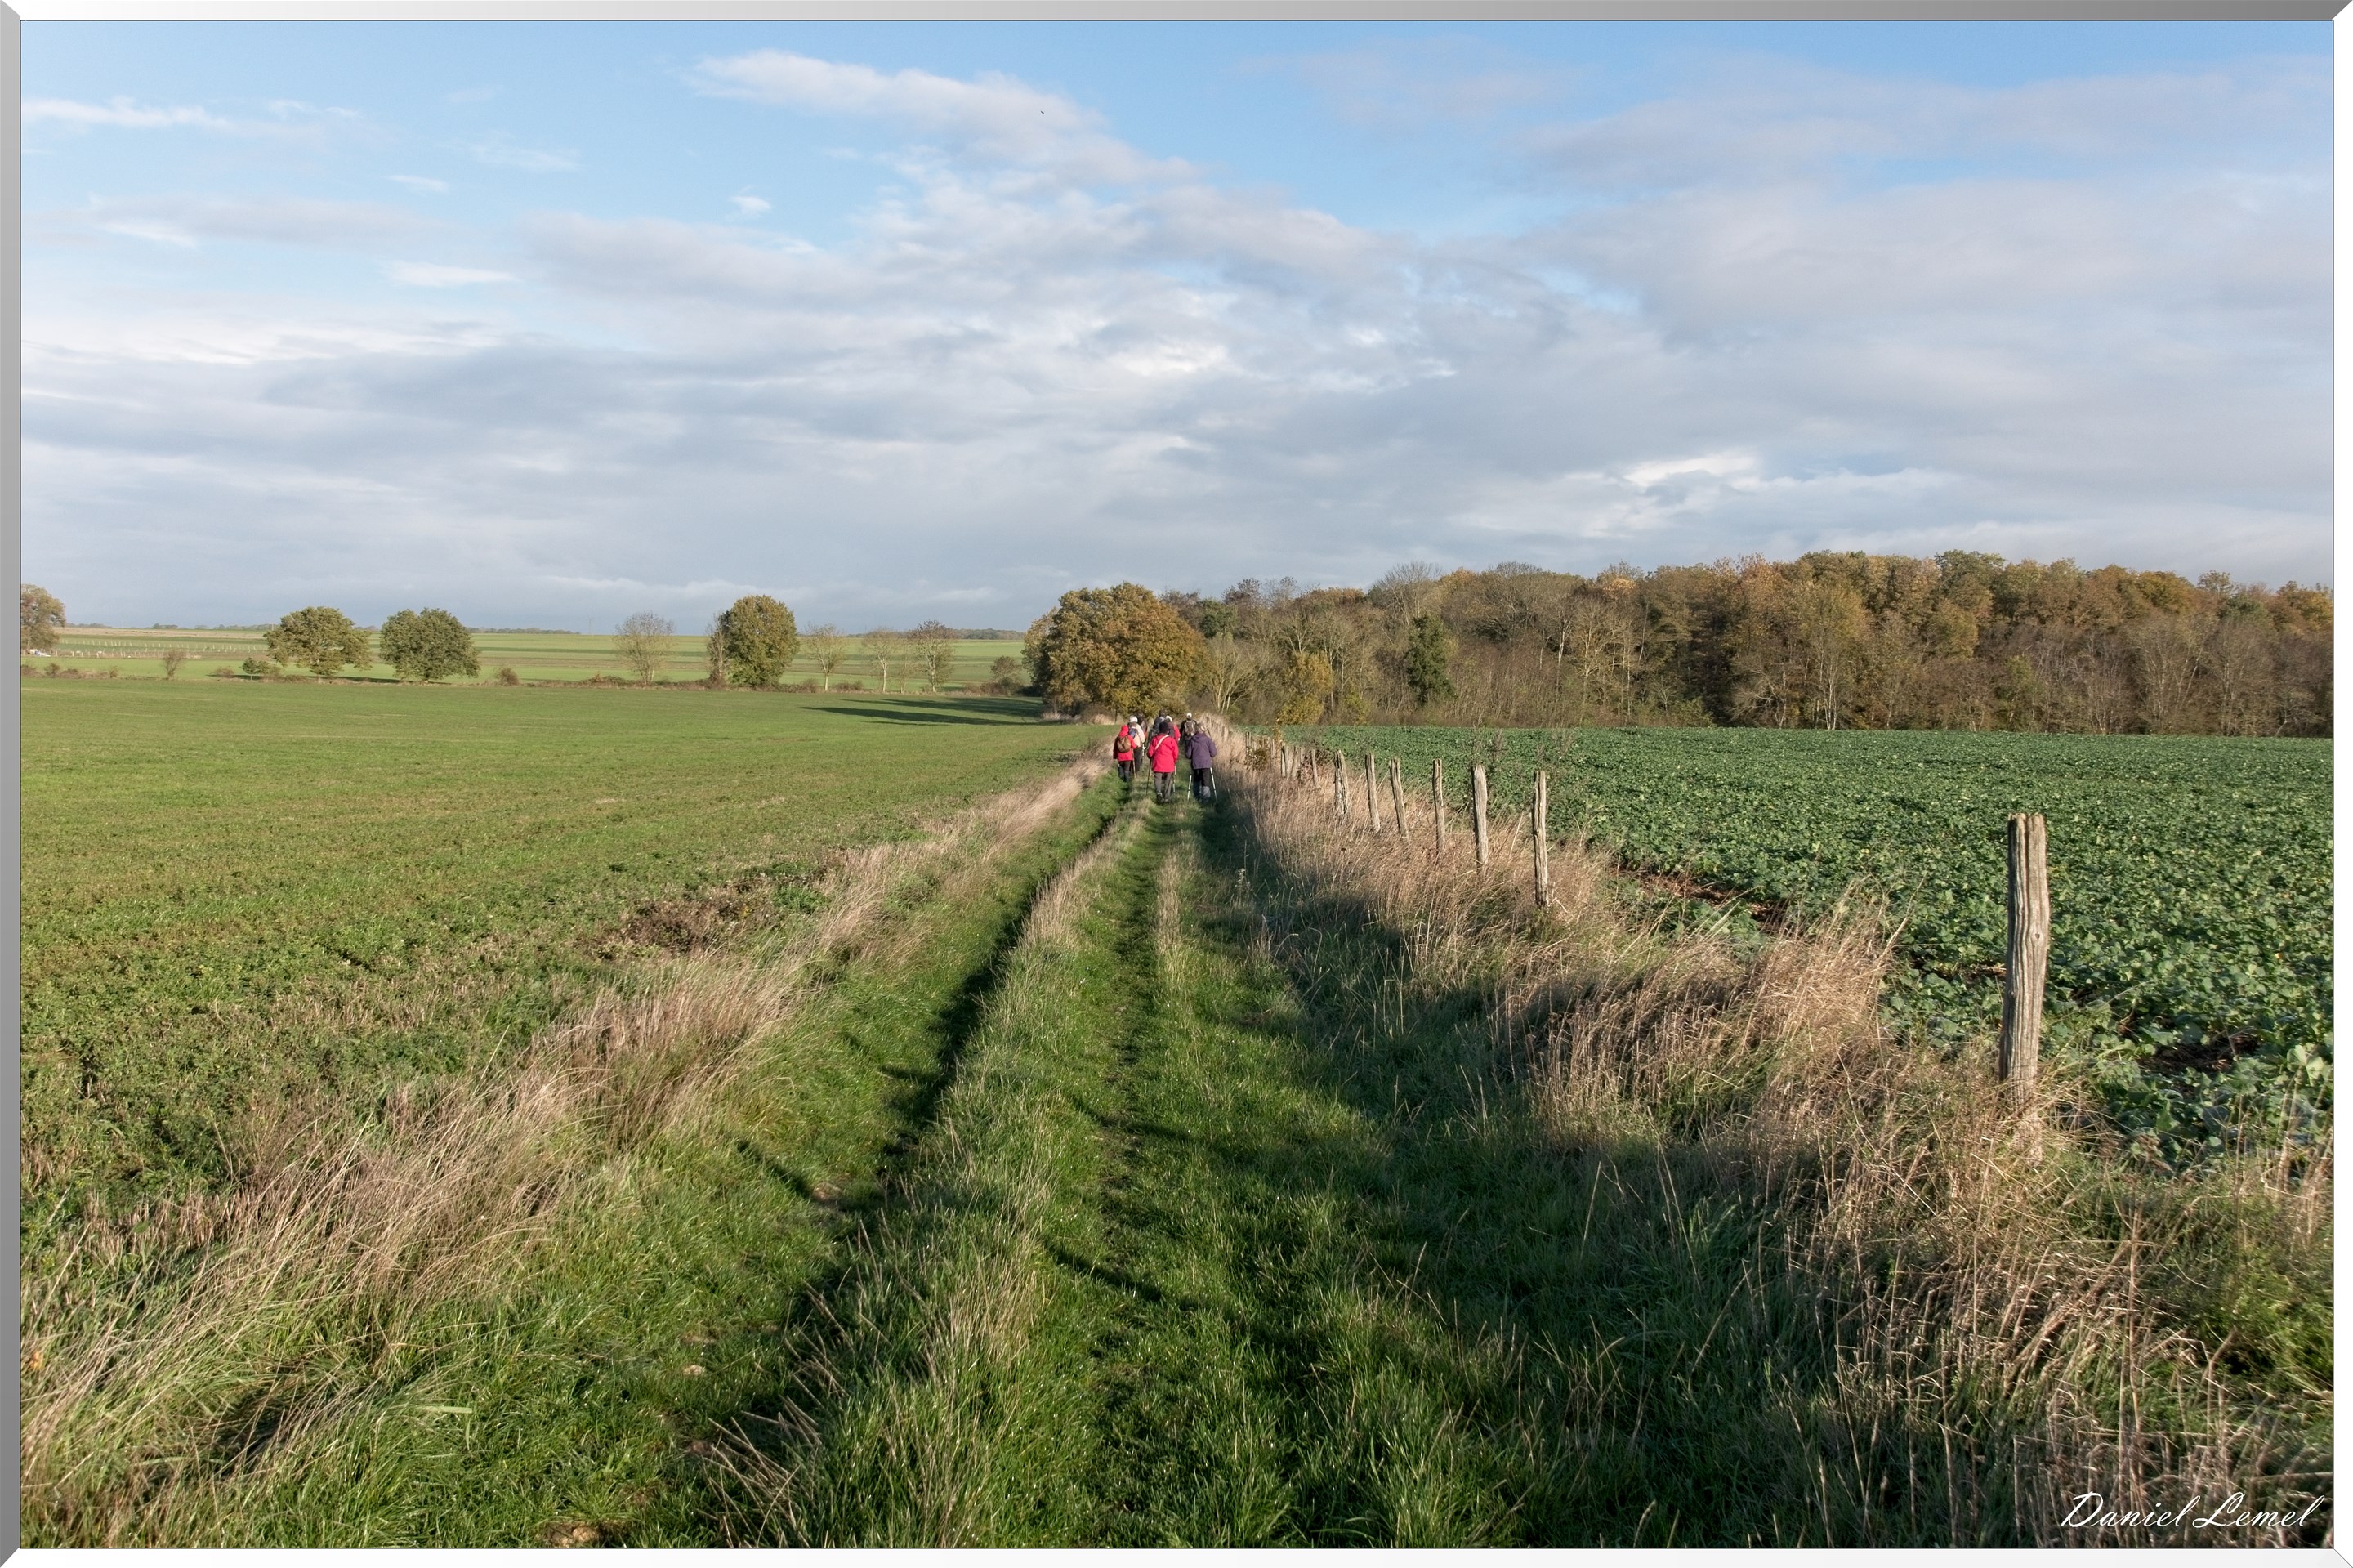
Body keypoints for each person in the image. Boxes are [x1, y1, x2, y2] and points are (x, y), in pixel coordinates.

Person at [1146, 716, 1181, 803]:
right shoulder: (1171, 740)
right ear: (1167, 730)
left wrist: (1150, 756)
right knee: (1168, 781)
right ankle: (1167, 797)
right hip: (1169, 763)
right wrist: (1174, 760)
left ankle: (1159, 793)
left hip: (1158, 763)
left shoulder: (1155, 739)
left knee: (1158, 779)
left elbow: (1150, 752)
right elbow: (1176, 753)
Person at [1185, 720, 1218, 801]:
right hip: (1206, 763)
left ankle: (1196, 797)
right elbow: (1214, 753)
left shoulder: (1192, 740)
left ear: (1196, 729)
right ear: (1204, 730)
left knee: (1196, 780)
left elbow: (1188, 755)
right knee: (1205, 781)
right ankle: (1205, 798)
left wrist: (1191, 756)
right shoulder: (1208, 740)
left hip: (1196, 763)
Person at [1112, 717, 1137, 784]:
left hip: (1120, 756)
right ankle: (1126, 781)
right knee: (1127, 769)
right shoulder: (1129, 737)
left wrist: (1115, 755)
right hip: (1128, 757)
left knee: (1121, 766)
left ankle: (1121, 778)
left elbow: (1115, 748)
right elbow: (1134, 746)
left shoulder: (1118, 738)